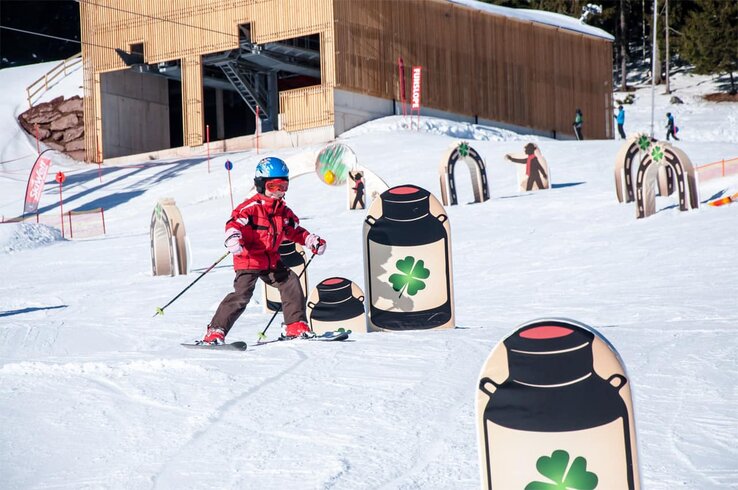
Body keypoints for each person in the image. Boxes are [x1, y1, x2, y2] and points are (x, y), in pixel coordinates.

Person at [201, 157, 327, 345]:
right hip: (249, 259)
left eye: (283, 186)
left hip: (271, 260)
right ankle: (215, 331)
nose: (279, 191)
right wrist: (233, 238)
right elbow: (234, 223)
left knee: (290, 282)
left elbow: (294, 230)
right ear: (261, 185)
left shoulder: (283, 211)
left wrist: (310, 240)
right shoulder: (251, 208)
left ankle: (295, 325)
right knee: (242, 295)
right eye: (273, 186)